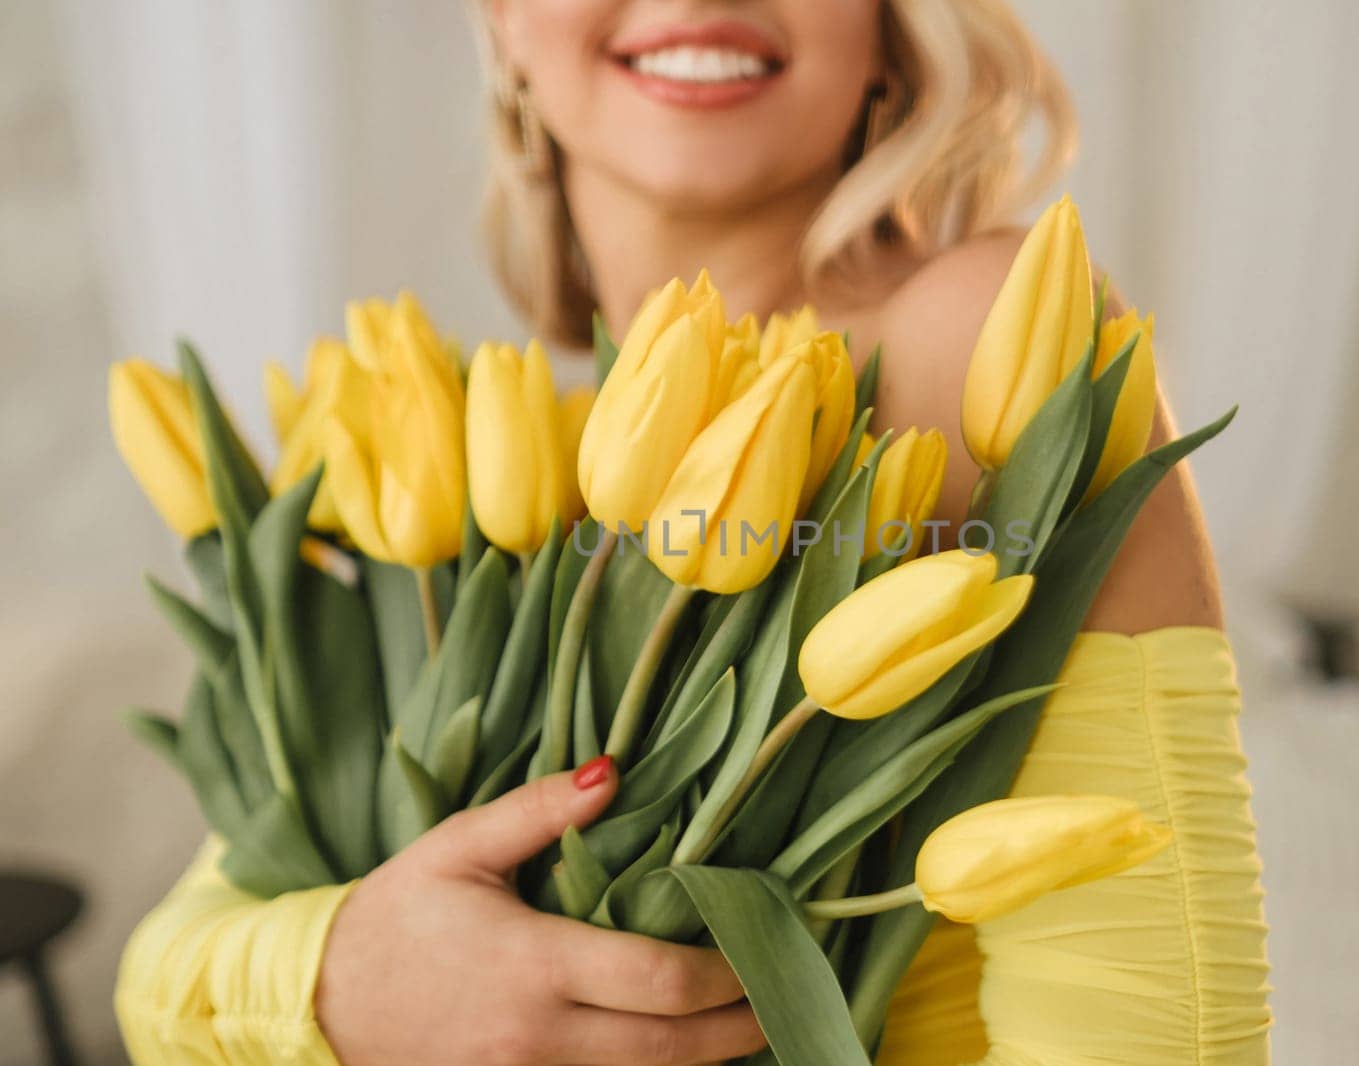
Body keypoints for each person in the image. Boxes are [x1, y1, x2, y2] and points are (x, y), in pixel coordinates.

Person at [115, 1, 1272, 1062]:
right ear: (507, 23)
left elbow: (1158, 1035)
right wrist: (343, 979)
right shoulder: (491, 469)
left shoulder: (974, 339)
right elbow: (161, 966)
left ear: (886, 26)